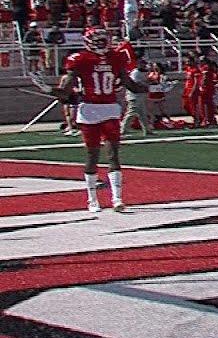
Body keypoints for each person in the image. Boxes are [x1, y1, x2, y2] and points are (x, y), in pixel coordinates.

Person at [53, 28, 148, 213]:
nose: (101, 43)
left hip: (110, 108)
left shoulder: (116, 57)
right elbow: (65, 91)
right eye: (97, 40)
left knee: (113, 154)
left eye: (103, 39)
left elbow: (130, 85)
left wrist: (149, 87)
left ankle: (117, 198)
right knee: (92, 155)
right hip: (89, 109)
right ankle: (92, 199)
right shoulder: (79, 59)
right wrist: (51, 90)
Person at [121, 58, 151, 137]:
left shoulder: (145, 72)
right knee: (131, 113)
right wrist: (145, 84)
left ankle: (147, 130)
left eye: (144, 64)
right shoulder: (135, 73)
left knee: (143, 114)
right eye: (142, 64)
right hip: (134, 95)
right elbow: (135, 84)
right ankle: (123, 129)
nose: (144, 65)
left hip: (141, 95)